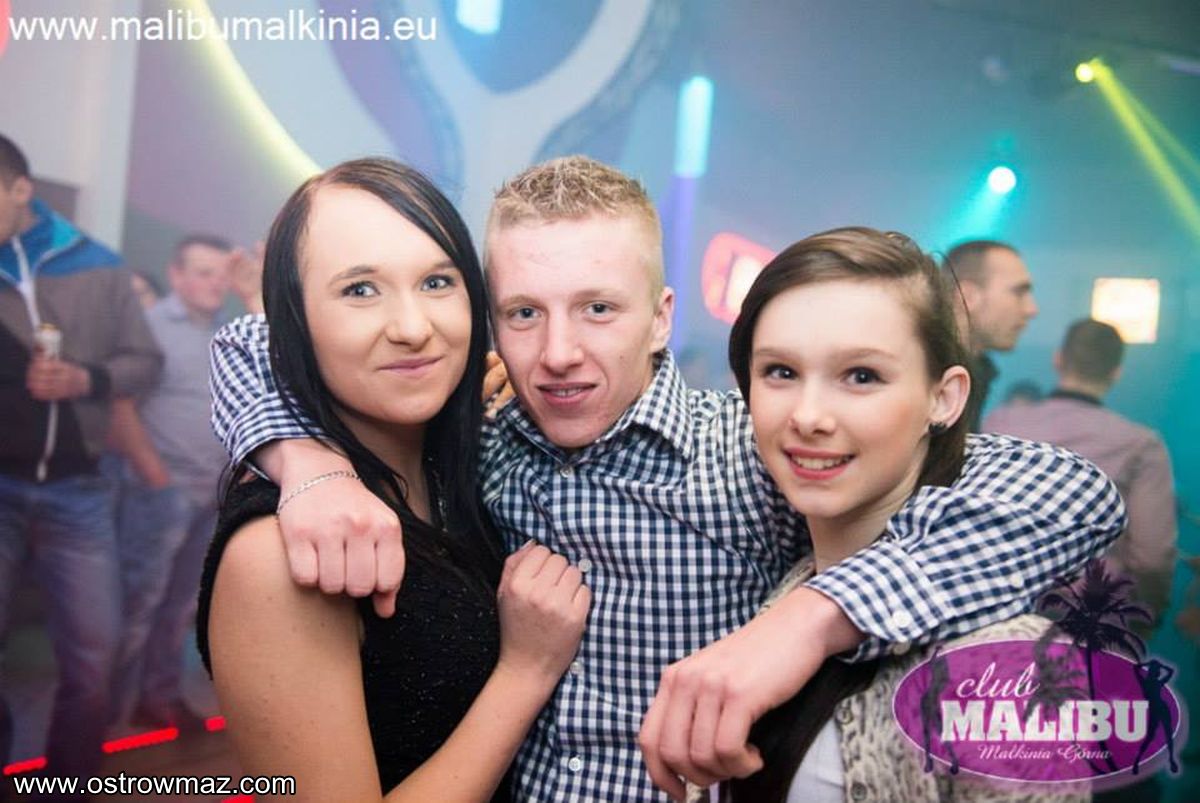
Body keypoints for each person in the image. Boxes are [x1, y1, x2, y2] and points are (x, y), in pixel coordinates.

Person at [208, 156, 1125, 801]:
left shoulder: (752, 455)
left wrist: (810, 618)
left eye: (598, 309)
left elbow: (1073, 495)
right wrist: (306, 461)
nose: (558, 353)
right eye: (523, 313)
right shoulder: (480, 442)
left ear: (660, 318)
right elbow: (258, 338)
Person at [196, 158, 589, 802]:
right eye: (359, 290)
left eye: (437, 282)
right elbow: (242, 340)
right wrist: (525, 672)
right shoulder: (284, 551)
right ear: (295, 322)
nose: (412, 328)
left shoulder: (469, 463)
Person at [711, 227, 1080, 802]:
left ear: (944, 398)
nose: (808, 416)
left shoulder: (1004, 666)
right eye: (780, 372)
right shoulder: (780, 589)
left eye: (862, 376)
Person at [0, 134, 162, 785]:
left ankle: (68, 785)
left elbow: (146, 363)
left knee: (94, 660)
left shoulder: (97, 264)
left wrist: (85, 379)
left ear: (20, 189)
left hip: (81, 493)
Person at [105, 234, 242, 731]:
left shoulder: (227, 332)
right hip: (160, 492)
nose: (215, 283)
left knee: (180, 606)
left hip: (209, 495)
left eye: (221, 273)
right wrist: (157, 479)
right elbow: (118, 409)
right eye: (203, 272)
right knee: (137, 603)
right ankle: (107, 715)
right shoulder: (151, 328)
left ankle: (157, 699)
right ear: (177, 275)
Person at [984, 319, 1177, 621]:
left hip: (998, 613)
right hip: (1092, 620)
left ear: (1058, 359)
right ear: (1116, 373)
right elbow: (1151, 558)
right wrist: (1148, 614)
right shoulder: (1141, 445)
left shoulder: (1000, 423)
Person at [942, 240, 1038, 429]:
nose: (1032, 310)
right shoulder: (925, 374)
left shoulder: (978, 372)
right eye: (1019, 292)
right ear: (967, 296)